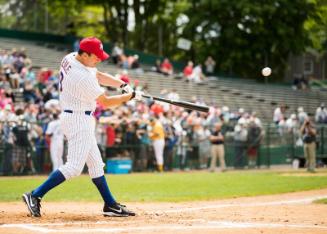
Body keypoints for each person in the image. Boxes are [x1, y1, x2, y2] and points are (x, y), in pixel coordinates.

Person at [22, 37, 143, 218]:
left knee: (96, 165)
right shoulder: (82, 77)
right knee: (74, 167)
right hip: (78, 119)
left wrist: (123, 85)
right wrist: (130, 97)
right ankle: (35, 194)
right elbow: (106, 102)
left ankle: (110, 204)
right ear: (85, 54)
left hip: (78, 116)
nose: (99, 59)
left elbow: (99, 75)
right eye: (96, 56)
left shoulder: (71, 57)